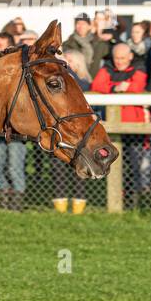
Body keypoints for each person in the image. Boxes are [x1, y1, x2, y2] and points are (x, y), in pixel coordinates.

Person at [91, 42, 150, 207]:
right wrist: (119, 86)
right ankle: (119, 198)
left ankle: (136, 199)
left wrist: (121, 86)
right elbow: (97, 85)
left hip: (134, 124)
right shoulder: (107, 68)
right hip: (114, 124)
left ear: (130, 57)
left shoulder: (139, 67)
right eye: (117, 58)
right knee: (117, 163)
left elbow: (138, 86)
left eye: (123, 58)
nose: (119, 61)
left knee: (135, 164)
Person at [50, 49, 94, 213]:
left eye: (69, 60)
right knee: (58, 170)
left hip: (79, 134)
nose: (65, 63)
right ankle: (60, 208)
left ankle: (78, 208)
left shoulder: (84, 83)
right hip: (61, 132)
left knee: (80, 170)